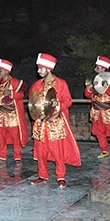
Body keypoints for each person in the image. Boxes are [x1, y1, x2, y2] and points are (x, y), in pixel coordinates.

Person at [29, 53, 81, 188]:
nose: (38, 71)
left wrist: (58, 106)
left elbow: (68, 101)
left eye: (41, 68)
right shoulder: (36, 84)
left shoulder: (61, 83)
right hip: (40, 123)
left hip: (55, 123)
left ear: (49, 68)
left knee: (58, 151)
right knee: (41, 151)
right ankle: (42, 175)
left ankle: (61, 176)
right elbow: (33, 101)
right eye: (38, 68)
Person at [0, 59, 29, 164]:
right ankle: (2, 156)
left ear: (7, 71)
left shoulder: (15, 82)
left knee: (15, 137)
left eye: (0, 70)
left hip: (12, 115)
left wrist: (11, 93)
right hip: (1, 114)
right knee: (1, 136)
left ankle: (17, 156)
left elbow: (21, 95)